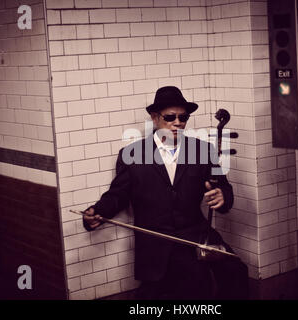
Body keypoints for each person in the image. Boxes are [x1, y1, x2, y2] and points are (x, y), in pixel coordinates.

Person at [83, 86, 249, 300]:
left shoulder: (203, 151)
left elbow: (223, 188)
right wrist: (97, 211)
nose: (178, 122)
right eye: (170, 117)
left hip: (193, 238)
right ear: (154, 118)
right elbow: (118, 194)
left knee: (233, 272)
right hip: (154, 244)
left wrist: (223, 196)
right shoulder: (132, 154)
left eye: (183, 117)